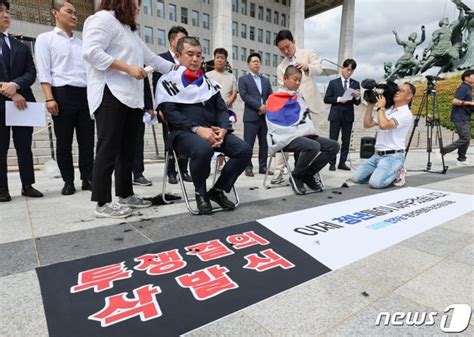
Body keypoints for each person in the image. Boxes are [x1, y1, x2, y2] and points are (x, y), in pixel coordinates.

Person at [82, 0, 176, 218]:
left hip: (132, 98)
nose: (138, 9)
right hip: (110, 93)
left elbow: (152, 58)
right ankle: (102, 202)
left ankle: (125, 194)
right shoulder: (102, 19)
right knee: (108, 148)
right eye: (136, 3)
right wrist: (128, 68)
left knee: (128, 150)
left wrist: (179, 69)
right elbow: (91, 52)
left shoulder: (129, 31)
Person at [156, 37, 252, 214]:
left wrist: (223, 129)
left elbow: (222, 109)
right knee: (203, 149)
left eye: (199, 55)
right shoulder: (167, 82)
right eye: (189, 54)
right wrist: (198, 129)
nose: (195, 59)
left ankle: (219, 190)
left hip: (213, 131)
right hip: (183, 134)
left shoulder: (208, 83)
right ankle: (201, 193)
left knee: (244, 150)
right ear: (178, 56)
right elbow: (170, 114)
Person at [35, 0, 94, 196]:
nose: (74, 16)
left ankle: (88, 178)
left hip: (85, 95)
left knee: (87, 141)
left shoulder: (82, 43)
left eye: (75, 13)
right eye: (69, 11)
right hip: (62, 94)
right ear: (55, 13)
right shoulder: (46, 39)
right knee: (64, 143)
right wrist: (49, 98)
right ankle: (68, 181)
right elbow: (44, 72)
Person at [266, 65, 339, 194]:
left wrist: (304, 131)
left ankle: (308, 173)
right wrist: (298, 131)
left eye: (300, 80)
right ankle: (297, 176)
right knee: (313, 146)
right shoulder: (274, 98)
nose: (298, 83)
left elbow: (303, 118)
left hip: (303, 134)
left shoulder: (298, 97)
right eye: (295, 79)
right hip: (285, 137)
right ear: (285, 78)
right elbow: (277, 124)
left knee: (334, 146)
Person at [0, 0, 43, 202]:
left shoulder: (21, 46)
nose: (6, 15)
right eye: (1, 11)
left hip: (22, 104)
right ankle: (2, 189)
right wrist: (9, 91)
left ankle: (28, 185)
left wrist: (15, 86)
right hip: (4, 103)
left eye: (7, 11)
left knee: (24, 146)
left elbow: (31, 72)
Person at [272, 30, 325, 184]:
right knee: (296, 141)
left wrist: (307, 66)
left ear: (293, 41)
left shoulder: (307, 53)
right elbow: (282, 88)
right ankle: (293, 173)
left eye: (287, 47)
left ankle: (307, 172)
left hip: (311, 106)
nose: (285, 51)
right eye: (281, 49)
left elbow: (319, 69)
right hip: (294, 110)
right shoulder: (281, 67)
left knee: (314, 142)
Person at [352, 82, 416, 188]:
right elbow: (367, 124)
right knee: (357, 178)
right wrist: (370, 104)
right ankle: (382, 171)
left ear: (409, 96)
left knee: (376, 183)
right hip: (377, 155)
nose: (397, 92)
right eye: (398, 90)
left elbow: (384, 125)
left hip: (393, 156)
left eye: (402, 91)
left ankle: (398, 171)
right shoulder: (388, 110)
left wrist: (380, 107)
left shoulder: (406, 113)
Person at [152, 26, 191, 185]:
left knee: (186, 140)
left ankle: (183, 170)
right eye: (181, 40)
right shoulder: (161, 59)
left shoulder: (187, 60)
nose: (184, 43)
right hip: (168, 109)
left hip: (186, 107)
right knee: (170, 142)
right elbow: (156, 85)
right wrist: (160, 108)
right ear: (172, 40)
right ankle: (171, 173)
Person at [238, 52, 273, 177]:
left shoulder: (266, 80)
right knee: (248, 144)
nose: (256, 63)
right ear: (248, 64)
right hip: (251, 116)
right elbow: (244, 96)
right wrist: (259, 106)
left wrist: (266, 107)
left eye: (258, 61)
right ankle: (248, 167)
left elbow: (270, 95)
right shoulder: (243, 80)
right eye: (254, 61)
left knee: (264, 143)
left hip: (264, 117)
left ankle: (263, 166)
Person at [324, 58, 361, 171]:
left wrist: (357, 96)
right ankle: (332, 163)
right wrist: (340, 99)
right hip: (335, 116)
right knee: (333, 140)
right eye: (347, 69)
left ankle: (342, 163)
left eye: (351, 70)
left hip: (348, 117)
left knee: (346, 141)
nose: (349, 72)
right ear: (342, 68)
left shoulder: (355, 83)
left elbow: (358, 103)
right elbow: (326, 99)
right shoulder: (333, 83)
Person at [206, 48, 239, 171]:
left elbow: (234, 92)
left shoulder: (231, 76)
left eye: (222, 58)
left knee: (224, 136)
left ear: (226, 60)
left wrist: (228, 102)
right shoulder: (207, 76)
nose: (220, 60)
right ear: (214, 59)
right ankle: (208, 162)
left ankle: (220, 165)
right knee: (210, 136)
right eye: (218, 57)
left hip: (227, 111)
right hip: (210, 112)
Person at [441, 69, 474, 163]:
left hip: (464, 116)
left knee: (466, 139)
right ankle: (444, 150)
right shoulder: (464, 87)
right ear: (467, 77)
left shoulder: (468, 88)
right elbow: (455, 101)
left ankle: (461, 159)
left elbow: (466, 105)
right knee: (465, 138)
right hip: (460, 117)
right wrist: (471, 103)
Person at [132, 76, 154, 186]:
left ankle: (138, 174)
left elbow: (145, 83)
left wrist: (149, 106)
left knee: (137, 141)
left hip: (137, 105)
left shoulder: (139, 59)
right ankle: (121, 177)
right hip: (116, 104)